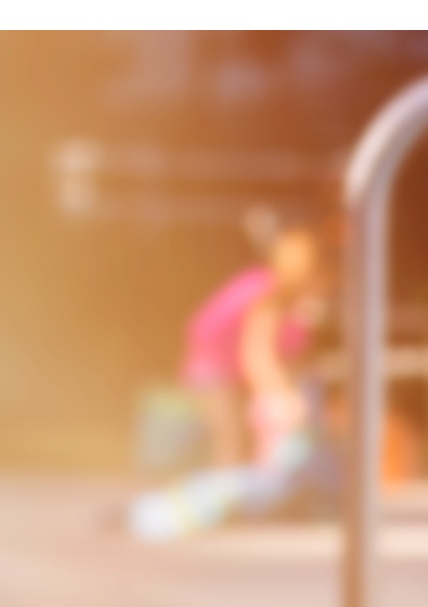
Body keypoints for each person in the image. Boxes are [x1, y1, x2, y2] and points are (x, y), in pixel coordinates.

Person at [130, 221, 335, 539]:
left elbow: (284, 356)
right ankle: (216, 507)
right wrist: (281, 395)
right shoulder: (270, 295)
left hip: (226, 368)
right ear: (309, 272)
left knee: (242, 443)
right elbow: (257, 353)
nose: (328, 286)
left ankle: (231, 504)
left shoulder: (286, 300)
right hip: (213, 367)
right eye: (324, 278)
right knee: (231, 439)